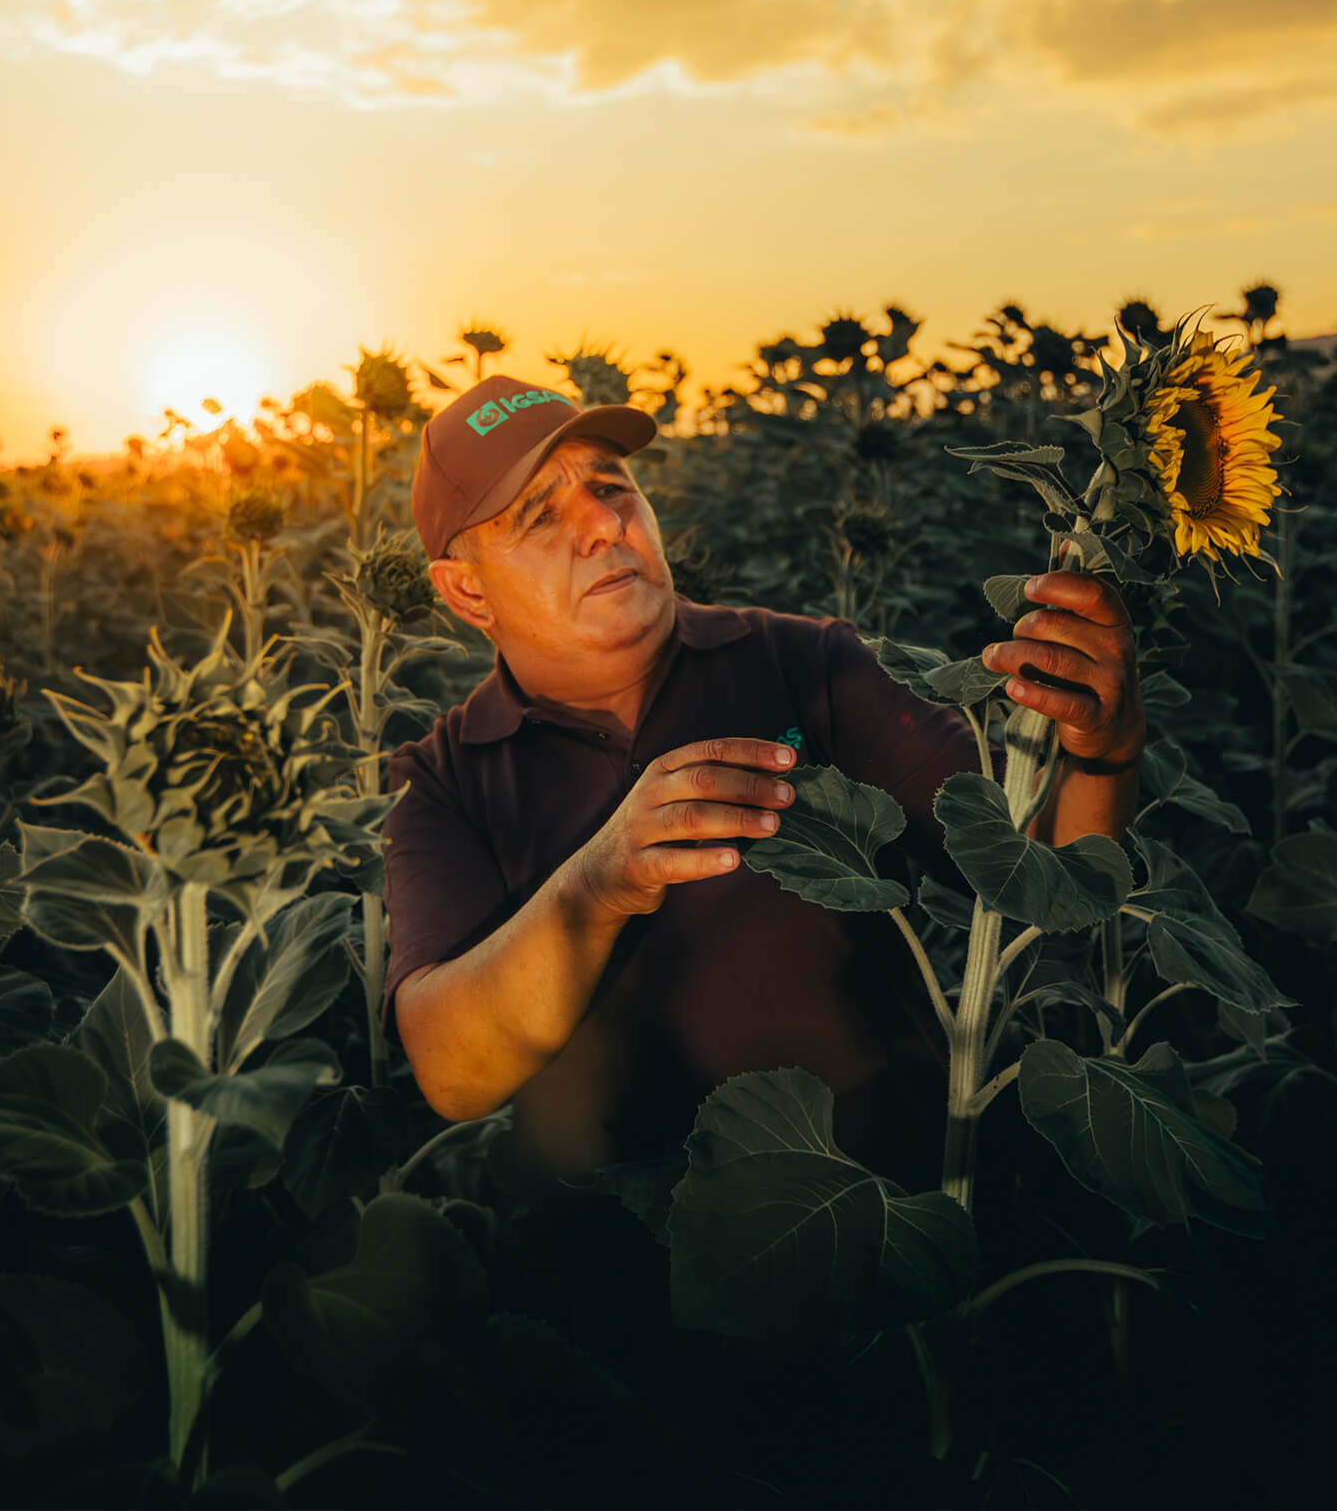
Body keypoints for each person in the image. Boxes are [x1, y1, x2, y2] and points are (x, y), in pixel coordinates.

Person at [382, 376, 1144, 1191]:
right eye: (541, 515)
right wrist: (596, 885)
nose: (605, 524)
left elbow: (1045, 883)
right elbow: (452, 1073)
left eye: (612, 487)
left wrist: (1101, 745)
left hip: (893, 1209)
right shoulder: (440, 780)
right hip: (628, 1270)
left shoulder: (807, 664)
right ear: (466, 591)